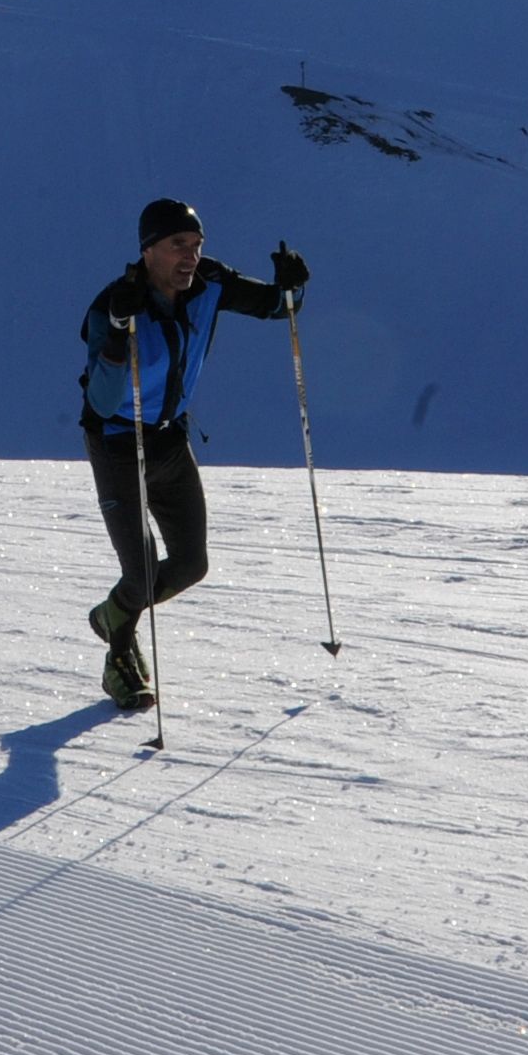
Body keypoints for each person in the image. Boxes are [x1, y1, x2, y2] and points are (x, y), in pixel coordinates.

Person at [77, 198, 308, 711]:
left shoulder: (211, 282)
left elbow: (277, 307)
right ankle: (120, 654)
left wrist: (293, 288)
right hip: (118, 443)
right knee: (139, 572)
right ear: (148, 250)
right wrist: (118, 331)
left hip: (168, 438)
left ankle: (112, 615)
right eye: (178, 245)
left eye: (197, 244)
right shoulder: (113, 305)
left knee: (190, 564)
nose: (191, 255)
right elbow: (103, 400)